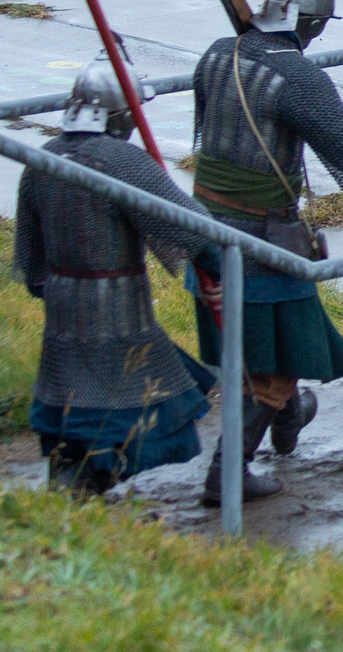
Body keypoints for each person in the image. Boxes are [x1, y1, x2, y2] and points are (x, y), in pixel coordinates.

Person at [189, 0, 343, 505]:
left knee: (275, 349)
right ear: (314, 22)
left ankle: (289, 418)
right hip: (261, 244)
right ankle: (227, 471)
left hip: (204, 232)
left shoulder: (218, 53)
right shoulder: (296, 77)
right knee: (272, 369)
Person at [15, 58, 221, 495]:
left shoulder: (41, 159)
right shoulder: (124, 161)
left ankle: (71, 493)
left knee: (73, 412)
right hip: (119, 313)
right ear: (122, 114)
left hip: (63, 311)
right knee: (121, 417)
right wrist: (222, 265)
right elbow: (194, 228)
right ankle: (80, 497)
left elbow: (32, 270)